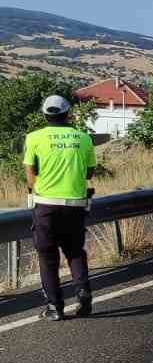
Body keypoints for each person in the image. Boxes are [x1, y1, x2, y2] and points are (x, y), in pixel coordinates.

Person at [23, 95, 97, 321]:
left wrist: (36, 188)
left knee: (47, 257)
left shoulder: (34, 137)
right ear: (68, 113)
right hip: (75, 205)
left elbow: (29, 174)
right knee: (75, 251)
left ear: (45, 115)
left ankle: (55, 308)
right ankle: (83, 291)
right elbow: (90, 173)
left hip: (46, 206)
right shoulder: (83, 138)